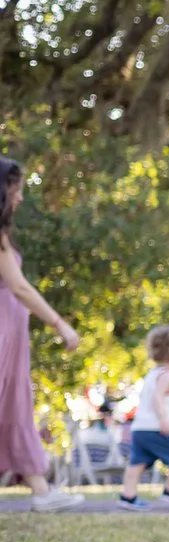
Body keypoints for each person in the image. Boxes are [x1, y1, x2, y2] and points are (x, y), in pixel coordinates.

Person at [0, 159, 84, 511]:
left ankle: (40, 491)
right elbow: (19, 287)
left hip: (12, 334)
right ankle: (41, 491)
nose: (19, 199)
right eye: (15, 192)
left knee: (15, 406)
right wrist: (59, 323)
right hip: (3, 331)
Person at [119, 324, 169, 510]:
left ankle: (128, 496)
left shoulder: (152, 374)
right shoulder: (167, 376)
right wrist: (163, 419)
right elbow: (157, 399)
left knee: (138, 462)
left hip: (140, 428)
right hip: (156, 427)